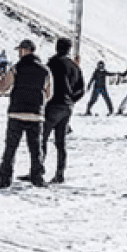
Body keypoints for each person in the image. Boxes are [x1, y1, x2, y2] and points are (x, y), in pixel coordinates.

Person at [0, 39, 52, 189]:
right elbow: (49, 93)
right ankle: (37, 178)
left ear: (26, 50)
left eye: (20, 50)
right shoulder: (45, 70)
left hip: (16, 113)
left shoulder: (15, 68)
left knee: (10, 148)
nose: (18, 53)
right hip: (35, 114)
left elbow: (3, 87)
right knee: (35, 148)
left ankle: (5, 179)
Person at [41, 38, 84, 184]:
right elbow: (81, 89)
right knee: (61, 142)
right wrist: (71, 100)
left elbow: (44, 82)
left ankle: (38, 171)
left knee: (42, 138)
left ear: (57, 47)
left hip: (53, 104)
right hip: (67, 107)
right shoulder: (75, 66)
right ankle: (60, 174)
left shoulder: (52, 63)